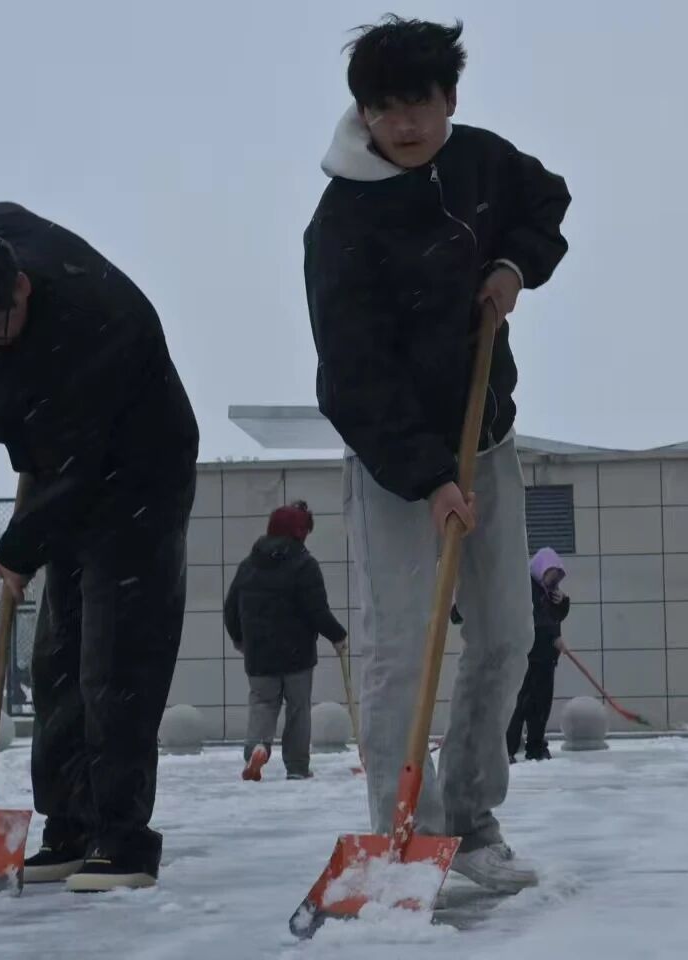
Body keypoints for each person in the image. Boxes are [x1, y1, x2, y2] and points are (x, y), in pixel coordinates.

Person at [304, 17, 570, 893]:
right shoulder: (341, 223)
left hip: (485, 436)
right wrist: (427, 478)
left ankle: (470, 819)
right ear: (364, 114)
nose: (405, 124)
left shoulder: (482, 161)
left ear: (449, 98)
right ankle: (402, 833)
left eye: (420, 103)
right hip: (395, 463)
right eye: (385, 108)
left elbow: (546, 202)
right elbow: (351, 378)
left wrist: (515, 268)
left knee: (507, 634)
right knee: (402, 645)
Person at [0, 202, 199, 893]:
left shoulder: (101, 321)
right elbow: (48, 445)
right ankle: (69, 826)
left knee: (115, 659)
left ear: (23, 288)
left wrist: (19, 547)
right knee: (58, 659)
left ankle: (123, 838)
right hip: (65, 464)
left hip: (140, 473)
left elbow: (78, 464)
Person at [224, 502, 348, 781]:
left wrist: (238, 638)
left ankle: (258, 748)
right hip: (297, 654)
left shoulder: (248, 565)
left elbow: (231, 607)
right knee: (298, 709)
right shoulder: (305, 565)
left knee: (262, 703)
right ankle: (297, 767)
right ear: (299, 532)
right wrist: (338, 635)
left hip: (258, 654)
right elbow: (317, 611)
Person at [506, 549, 570, 762]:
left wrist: (562, 602)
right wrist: (553, 636)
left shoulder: (550, 590)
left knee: (541, 705)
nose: (554, 580)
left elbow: (556, 617)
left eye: (557, 576)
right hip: (527, 656)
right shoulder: (526, 588)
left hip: (546, 657)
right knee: (520, 704)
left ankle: (536, 746)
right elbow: (533, 619)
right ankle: (507, 749)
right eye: (551, 574)